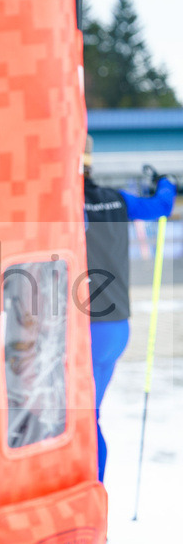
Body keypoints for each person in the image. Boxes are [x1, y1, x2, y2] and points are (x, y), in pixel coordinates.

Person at [83, 135, 176, 481]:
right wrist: (165, 184)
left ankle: (89, 500)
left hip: (85, 329)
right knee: (88, 416)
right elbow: (161, 207)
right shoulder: (115, 199)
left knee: (79, 420)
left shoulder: (60, 203)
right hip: (115, 327)